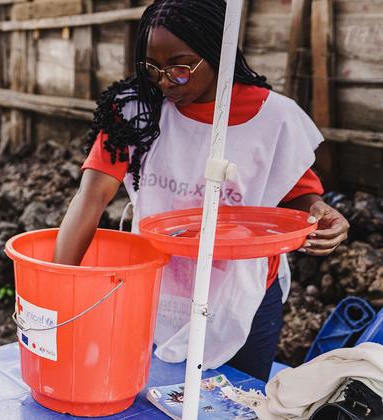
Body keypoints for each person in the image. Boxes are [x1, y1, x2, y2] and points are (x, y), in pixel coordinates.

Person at [53, 0, 350, 382]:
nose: (163, 81)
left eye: (179, 68)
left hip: (243, 295)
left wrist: (324, 214)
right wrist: (60, 285)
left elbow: (299, 195)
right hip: (156, 287)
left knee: (237, 397)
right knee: (151, 392)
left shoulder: (275, 119)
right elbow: (90, 198)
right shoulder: (136, 113)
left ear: (216, 53)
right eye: (152, 67)